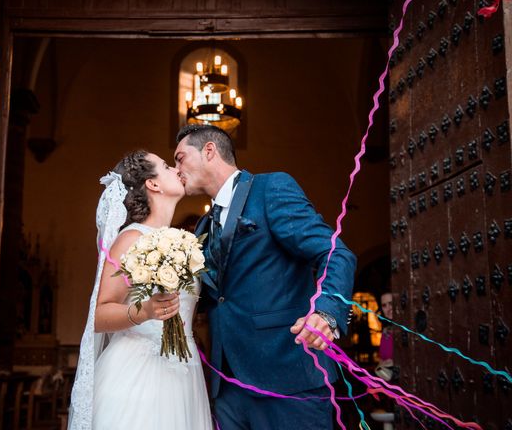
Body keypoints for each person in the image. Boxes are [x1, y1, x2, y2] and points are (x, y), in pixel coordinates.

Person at [174, 124, 357, 429]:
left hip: (287, 375)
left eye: (180, 157)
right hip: (227, 385)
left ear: (209, 151)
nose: (177, 168)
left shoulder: (270, 189)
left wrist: (327, 312)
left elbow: (336, 253)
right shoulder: (203, 226)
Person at [68, 150, 213, 430]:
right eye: (167, 166)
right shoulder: (131, 238)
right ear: (153, 184)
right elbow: (98, 315)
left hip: (183, 369)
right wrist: (145, 310)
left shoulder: (184, 241)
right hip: (139, 372)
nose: (176, 169)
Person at [375, 292, 394, 382]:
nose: (388, 309)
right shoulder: (386, 330)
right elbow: (382, 360)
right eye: (384, 305)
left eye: (391, 304)